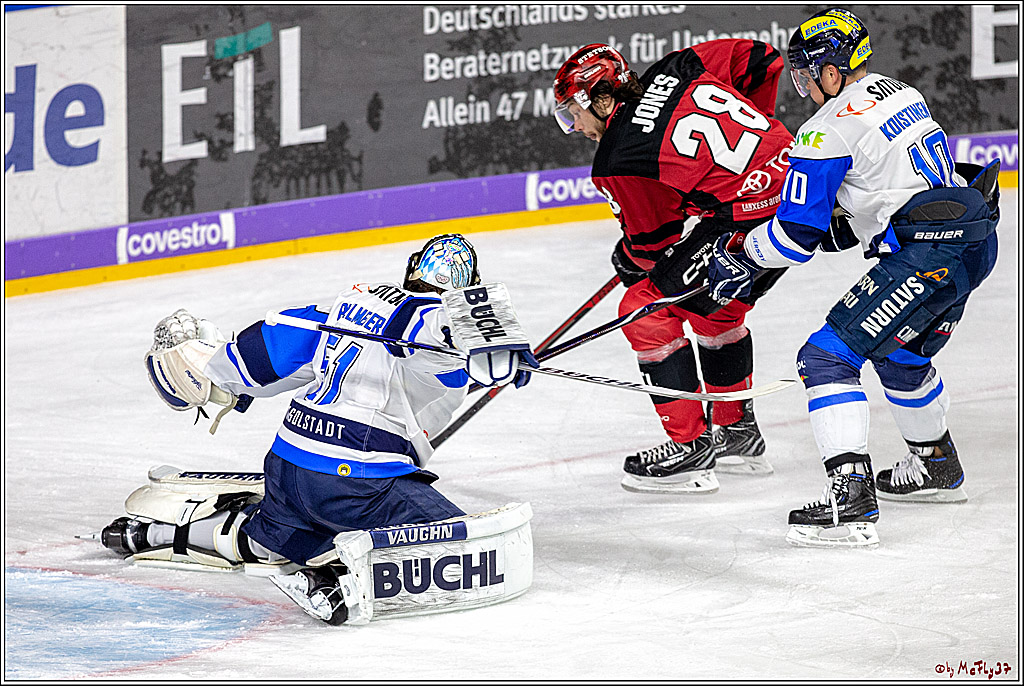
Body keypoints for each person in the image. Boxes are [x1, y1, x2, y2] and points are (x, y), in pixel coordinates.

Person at [101, 233, 539, 622]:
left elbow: (267, 351)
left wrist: (216, 378)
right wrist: (490, 341)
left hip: (288, 467)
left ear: (410, 272)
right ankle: (334, 580)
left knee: (272, 538)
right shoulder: (433, 327)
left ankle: (154, 535)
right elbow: (428, 327)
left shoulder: (349, 303)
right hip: (358, 483)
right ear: (466, 292)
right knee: (470, 552)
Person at [707, 9, 1000, 547]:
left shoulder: (824, 131)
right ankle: (937, 468)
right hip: (974, 240)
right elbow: (886, 189)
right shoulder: (899, 91)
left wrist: (738, 257)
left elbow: (794, 237)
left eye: (807, 74)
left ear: (834, 69)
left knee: (824, 357)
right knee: (901, 354)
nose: (803, 88)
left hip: (927, 257)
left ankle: (852, 504)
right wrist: (834, 229)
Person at [551, 40, 795, 494]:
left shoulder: (620, 156)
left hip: (749, 218)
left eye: (573, 113)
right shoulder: (680, 67)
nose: (575, 128)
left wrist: (628, 258)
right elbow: (762, 59)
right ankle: (736, 432)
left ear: (602, 99)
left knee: (644, 309)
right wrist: (757, 145)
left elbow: (652, 246)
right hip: (802, 189)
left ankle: (689, 449)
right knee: (713, 308)